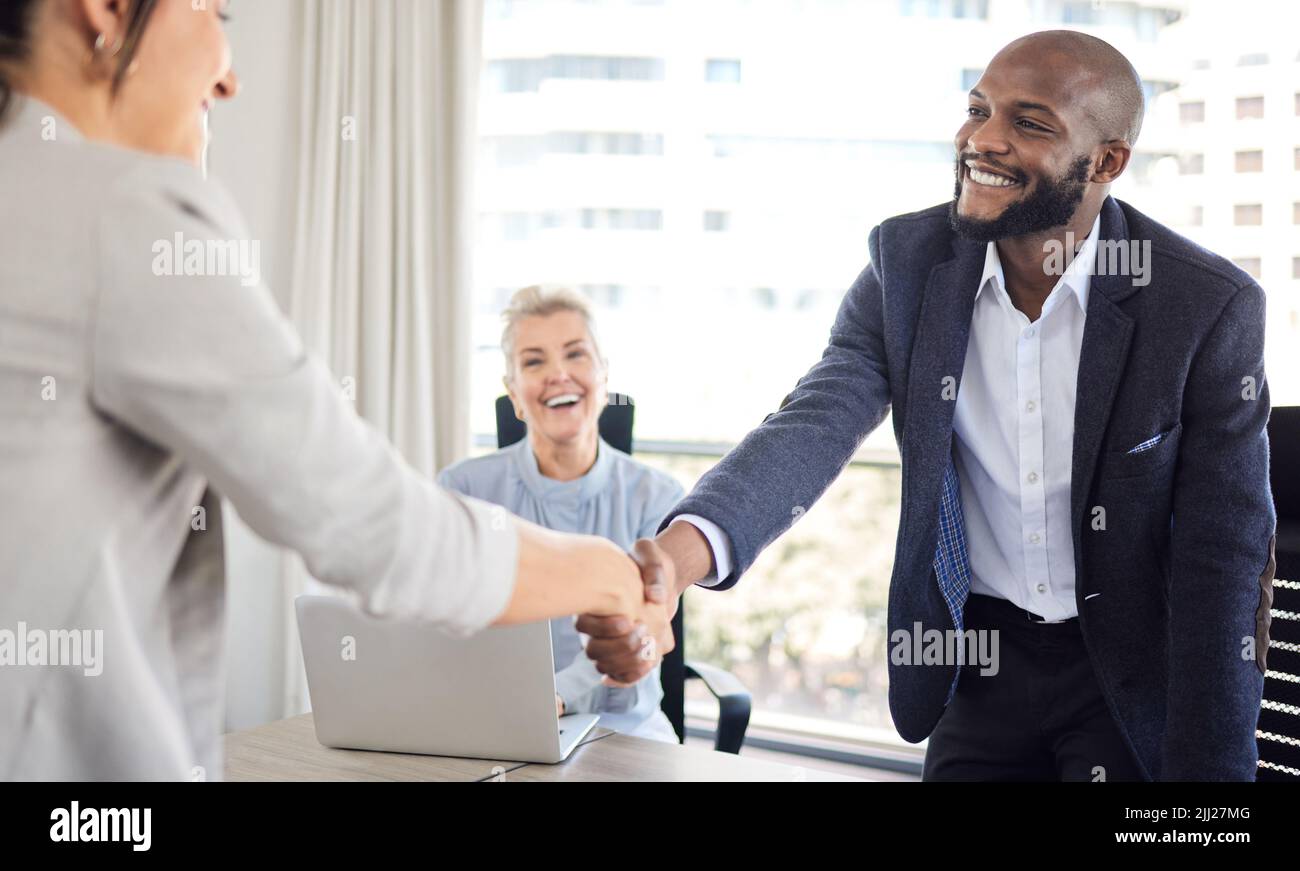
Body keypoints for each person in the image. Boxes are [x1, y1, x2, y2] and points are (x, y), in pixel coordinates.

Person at [583, 30, 1277, 781]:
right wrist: (669, 567)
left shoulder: (1202, 306)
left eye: (1029, 123)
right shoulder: (906, 267)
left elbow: (1224, 564)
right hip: (978, 662)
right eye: (978, 109)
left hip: (1130, 672)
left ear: (1106, 161)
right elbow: (811, 425)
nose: (984, 140)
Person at [0, 0, 663, 780]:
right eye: (217, 11)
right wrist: (617, 575)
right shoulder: (123, 212)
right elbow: (382, 529)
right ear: (106, 9)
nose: (232, 79)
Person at [439, 286, 682, 742]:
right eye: (534, 362)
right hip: (499, 729)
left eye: (575, 355)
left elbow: (636, 632)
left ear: (603, 375)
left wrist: (553, 695)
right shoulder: (464, 490)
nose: (558, 374)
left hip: (627, 733)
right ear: (513, 394)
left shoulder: (658, 496)